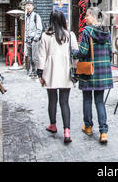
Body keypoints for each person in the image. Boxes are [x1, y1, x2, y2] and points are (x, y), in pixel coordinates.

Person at [72, 7, 113, 144]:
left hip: (89, 71)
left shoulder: (87, 31)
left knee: (88, 100)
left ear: (93, 17)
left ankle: (88, 127)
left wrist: (73, 52)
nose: (85, 18)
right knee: (100, 101)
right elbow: (110, 52)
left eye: (87, 16)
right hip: (102, 71)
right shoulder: (106, 31)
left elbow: (83, 52)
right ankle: (104, 132)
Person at [37, 10, 78, 144]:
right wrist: (75, 69)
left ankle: (53, 125)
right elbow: (75, 54)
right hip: (66, 71)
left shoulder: (45, 36)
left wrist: (40, 73)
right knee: (65, 102)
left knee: (52, 100)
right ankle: (67, 131)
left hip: (50, 71)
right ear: (63, 20)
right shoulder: (70, 35)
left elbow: (41, 56)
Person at [25, 1, 43, 79]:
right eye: (26, 5)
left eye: (29, 5)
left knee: (34, 57)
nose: (28, 7)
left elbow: (39, 28)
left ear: (32, 6)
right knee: (29, 56)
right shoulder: (26, 16)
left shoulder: (36, 16)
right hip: (28, 39)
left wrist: (35, 39)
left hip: (34, 40)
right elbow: (26, 29)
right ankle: (31, 71)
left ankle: (36, 72)